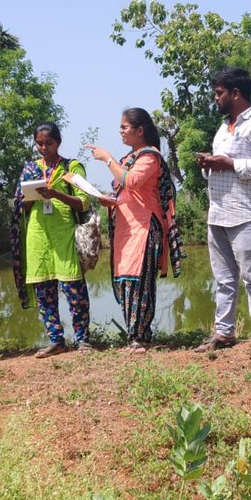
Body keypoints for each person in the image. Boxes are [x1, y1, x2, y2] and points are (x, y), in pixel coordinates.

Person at [192, 67, 251, 360]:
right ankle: (224, 332)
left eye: (219, 93)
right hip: (217, 212)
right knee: (224, 279)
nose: (216, 99)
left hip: (244, 212)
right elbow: (223, 165)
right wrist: (210, 165)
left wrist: (229, 163)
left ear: (235, 94)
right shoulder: (222, 128)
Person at [85, 108, 185, 353]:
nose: (120, 131)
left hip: (144, 228)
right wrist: (109, 199)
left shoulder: (150, 157)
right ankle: (133, 338)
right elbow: (126, 190)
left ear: (140, 131)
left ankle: (141, 338)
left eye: (124, 127)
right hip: (126, 229)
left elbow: (131, 181)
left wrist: (107, 159)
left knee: (140, 282)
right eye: (120, 127)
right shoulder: (129, 158)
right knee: (127, 281)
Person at [10, 122, 93, 357]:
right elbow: (20, 205)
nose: (44, 147)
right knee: (44, 292)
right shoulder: (29, 169)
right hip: (37, 235)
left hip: (64, 233)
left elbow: (84, 201)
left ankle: (83, 340)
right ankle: (56, 340)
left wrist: (55, 193)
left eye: (49, 143)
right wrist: (30, 197)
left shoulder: (71, 167)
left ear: (59, 142)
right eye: (39, 143)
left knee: (74, 289)